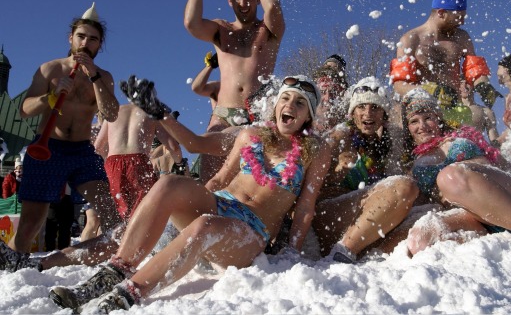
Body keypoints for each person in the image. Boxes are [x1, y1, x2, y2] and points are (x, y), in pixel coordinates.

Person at [49, 75, 331, 313]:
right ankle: (113, 272)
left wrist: (293, 252)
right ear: (276, 104)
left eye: (300, 103)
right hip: (222, 203)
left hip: (251, 231)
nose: (290, 105)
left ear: (308, 115)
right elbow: (217, 174)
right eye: (286, 98)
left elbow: (305, 205)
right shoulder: (250, 134)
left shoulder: (315, 151)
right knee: (169, 182)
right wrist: (161, 114)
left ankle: (126, 295)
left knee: (204, 226)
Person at [0, 3, 123, 273]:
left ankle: (115, 261)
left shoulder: (104, 77)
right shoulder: (49, 69)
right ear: (71, 38)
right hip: (48, 146)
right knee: (33, 219)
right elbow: (23, 110)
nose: (85, 42)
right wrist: (50, 97)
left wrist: (94, 77)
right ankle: (16, 264)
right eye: (81, 36)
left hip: (81, 150)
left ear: (99, 46)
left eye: (93, 39)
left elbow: (111, 114)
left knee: (108, 210)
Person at [401, 88, 511, 264]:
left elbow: (505, 168)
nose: (422, 126)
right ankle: (494, 246)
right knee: (420, 237)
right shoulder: (413, 164)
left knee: (448, 176)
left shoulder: (462, 136)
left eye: (428, 118)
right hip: (475, 216)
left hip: (507, 197)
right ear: (408, 128)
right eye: (414, 121)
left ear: (438, 118)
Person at [184, 0, 285, 183]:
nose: (244, 3)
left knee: (251, 184)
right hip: (224, 115)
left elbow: (274, 9)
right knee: (210, 183)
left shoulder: (267, 31)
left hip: (258, 116)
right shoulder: (222, 29)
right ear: (230, 1)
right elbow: (191, 24)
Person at [312, 77, 418, 262]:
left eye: (375, 108)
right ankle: (343, 252)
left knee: (425, 212)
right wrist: (336, 172)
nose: (368, 113)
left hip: (363, 218)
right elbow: (309, 180)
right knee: (403, 187)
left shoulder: (384, 143)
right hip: (329, 216)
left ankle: (373, 255)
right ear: (352, 113)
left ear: (383, 115)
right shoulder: (339, 136)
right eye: (361, 107)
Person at [390, 0, 502, 128]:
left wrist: (483, 85)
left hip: (454, 109)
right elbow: (399, 85)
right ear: (441, 13)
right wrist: (431, 90)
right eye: (457, 18)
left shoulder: (462, 37)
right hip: (422, 109)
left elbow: (475, 70)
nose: (462, 22)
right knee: (395, 114)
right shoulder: (411, 40)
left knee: (478, 114)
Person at [94, 103, 181, 220]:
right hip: (138, 163)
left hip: (112, 164)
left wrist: (108, 164)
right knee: (142, 215)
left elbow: (98, 147)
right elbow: (173, 146)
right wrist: (179, 163)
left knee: (116, 217)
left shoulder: (113, 111)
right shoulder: (151, 112)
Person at [312, 64, 348, 134]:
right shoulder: (301, 128)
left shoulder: (350, 131)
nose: (328, 98)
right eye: (322, 92)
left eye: (333, 93)